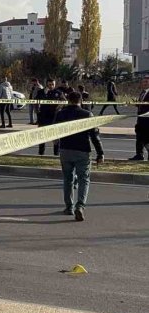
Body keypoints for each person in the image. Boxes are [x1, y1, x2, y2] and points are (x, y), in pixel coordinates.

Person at [54, 91, 104, 221]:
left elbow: (53, 133)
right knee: (84, 179)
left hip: (65, 150)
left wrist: (57, 147)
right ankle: (80, 206)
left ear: (68, 100)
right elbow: (95, 136)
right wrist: (100, 153)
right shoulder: (87, 114)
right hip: (82, 150)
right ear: (80, 101)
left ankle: (69, 207)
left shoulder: (60, 114)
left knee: (68, 179)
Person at [36, 79, 64, 155]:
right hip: (43, 117)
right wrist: (37, 111)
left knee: (55, 138)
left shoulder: (58, 92)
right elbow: (35, 101)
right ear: (46, 85)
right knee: (42, 137)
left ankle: (56, 154)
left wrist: (59, 107)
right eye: (49, 84)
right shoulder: (41, 92)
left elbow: (64, 101)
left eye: (52, 84)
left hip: (54, 117)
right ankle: (41, 154)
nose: (51, 86)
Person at [130, 77, 149, 160]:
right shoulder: (142, 93)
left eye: (146, 82)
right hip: (140, 120)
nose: (144, 83)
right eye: (143, 82)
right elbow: (141, 105)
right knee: (139, 137)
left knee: (146, 139)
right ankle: (139, 155)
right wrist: (136, 103)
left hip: (147, 121)